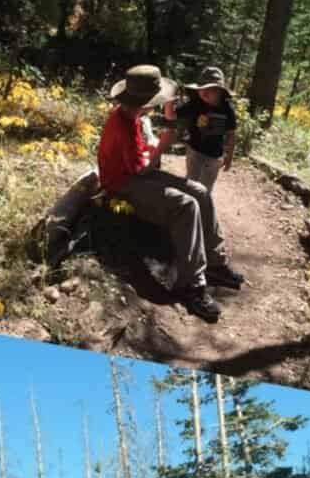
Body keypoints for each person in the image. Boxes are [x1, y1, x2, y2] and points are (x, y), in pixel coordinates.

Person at [96, 64, 243, 323]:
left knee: (199, 191)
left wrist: (154, 146)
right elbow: (139, 170)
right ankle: (192, 286)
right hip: (123, 184)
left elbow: (140, 158)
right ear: (146, 102)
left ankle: (216, 263)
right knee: (186, 205)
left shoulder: (131, 117)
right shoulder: (122, 124)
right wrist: (161, 146)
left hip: (135, 175)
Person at [162, 65, 237, 194]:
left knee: (205, 190)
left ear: (220, 91)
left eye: (210, 89)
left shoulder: (227, 109)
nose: (204, 92)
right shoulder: (195, 104)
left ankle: (201, 210)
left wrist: (229, 155)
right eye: (201, 88)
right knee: (191, 183)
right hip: (194, 152)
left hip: (215, 156)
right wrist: (169, 100)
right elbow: (171, 115)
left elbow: (231, 133)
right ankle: (188, 208)